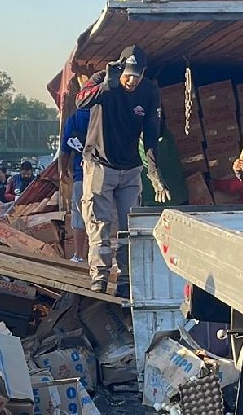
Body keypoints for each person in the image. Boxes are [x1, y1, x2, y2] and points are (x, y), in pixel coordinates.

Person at [76, 45, 171, 297]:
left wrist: (153, 171)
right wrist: (107, 85)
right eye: (127, 75)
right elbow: (81, 101)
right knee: (99, 223)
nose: (131, 81)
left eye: (136, 76)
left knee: (130, 227)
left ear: (144, 74)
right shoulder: (102, 80)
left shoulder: (149, 91)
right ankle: (99, 276)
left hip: (130, 169)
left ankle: (126, 279)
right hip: (100, 164)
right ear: (119, 69)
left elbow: (151, 132)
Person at [59, 108, 91, 263]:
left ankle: (79, 255)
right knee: (100, 216)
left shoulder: (75, 118)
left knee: (80, 215)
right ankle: (98, 256)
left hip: (82, 174)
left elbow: (65, 148)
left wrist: (62, 169)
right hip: (106, 174)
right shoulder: (106, 110)